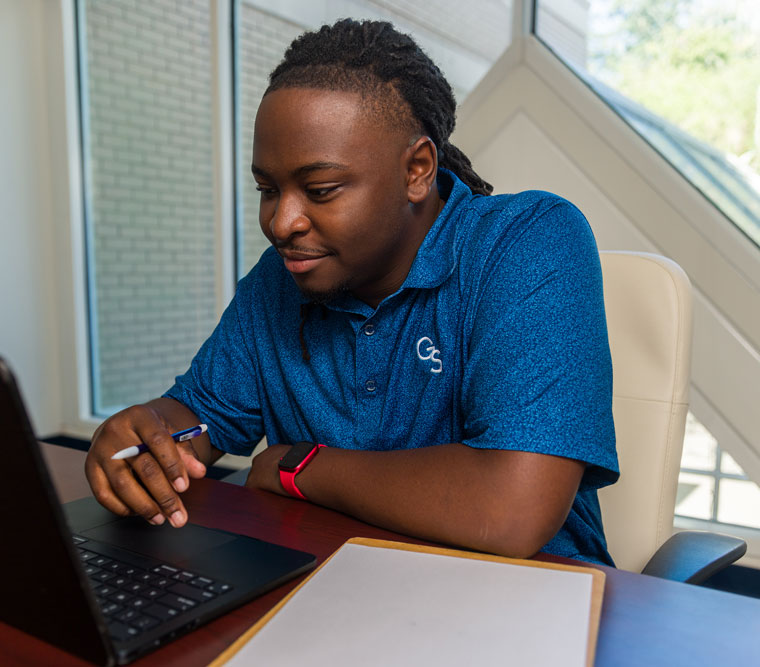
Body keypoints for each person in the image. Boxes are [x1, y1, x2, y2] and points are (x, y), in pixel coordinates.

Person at [85, 19, 619, 565]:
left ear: (417, 169)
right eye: (267, 190)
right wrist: (141, 440)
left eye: (319, 190)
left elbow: (510, 512)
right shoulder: (282, 277)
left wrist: (296, 466)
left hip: (527, 606)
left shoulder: (528, 240)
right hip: (328, 588)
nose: (281, 222)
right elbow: (196, 419)